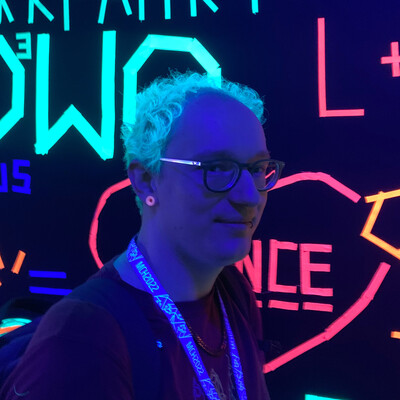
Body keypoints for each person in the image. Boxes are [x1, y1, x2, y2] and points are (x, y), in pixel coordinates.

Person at [0, 71, 284, 399]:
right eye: (217, 168)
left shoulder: (232, 293)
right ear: (146, 180)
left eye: (258, 169)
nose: (249, 196)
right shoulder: (82, 339)